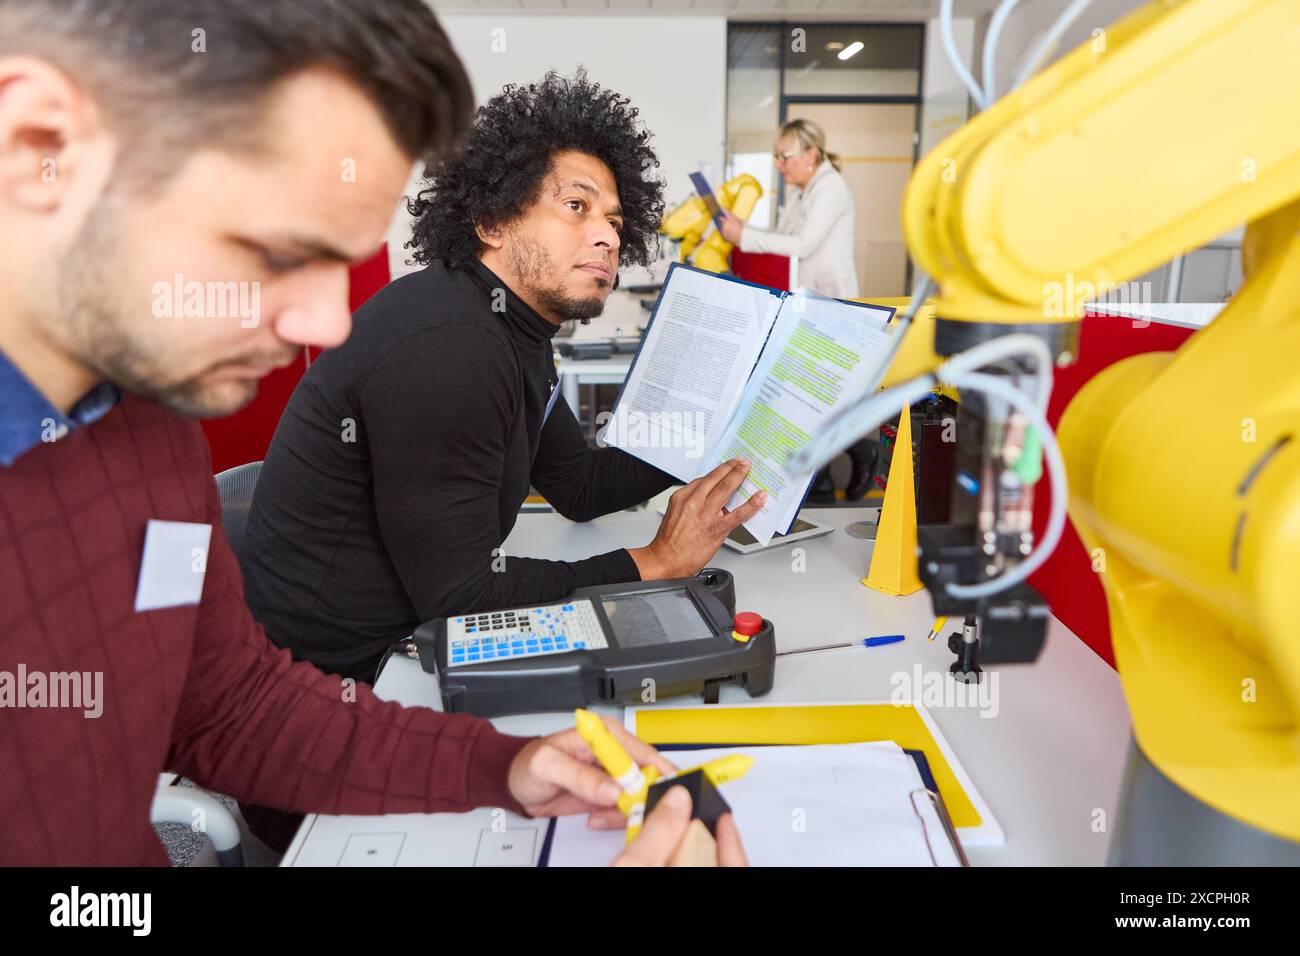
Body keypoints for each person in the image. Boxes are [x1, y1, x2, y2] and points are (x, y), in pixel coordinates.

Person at [0, 0, 741, 867]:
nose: (326, 318)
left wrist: (509, 767)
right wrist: (648, 565)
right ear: (39, 146)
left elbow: (229, 709)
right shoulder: (447, 344)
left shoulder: (148, 429)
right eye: (281, 248)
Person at [239, 71, 767, 688]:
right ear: (492, 221)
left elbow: (576, 485)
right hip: (331, 681)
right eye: (576, 207)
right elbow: (463, 600)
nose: (606, 236)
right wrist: (653, 562)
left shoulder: (514, 331)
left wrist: (709, 425)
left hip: (396, 642)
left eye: (617, 222)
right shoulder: (449, 347)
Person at [721, 118, 874, 502]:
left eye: (784, 156)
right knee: (807, 392)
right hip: (810, 302)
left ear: (811, 153)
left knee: (821, 392)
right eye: (775, 156)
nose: (779, 164)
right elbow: (783, 238)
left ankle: (850, 458)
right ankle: (830, 468)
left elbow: (803, 245)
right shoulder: (804, 191)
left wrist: (746, 237)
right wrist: (745, 230)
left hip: (834, 303)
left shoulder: (831, 188)